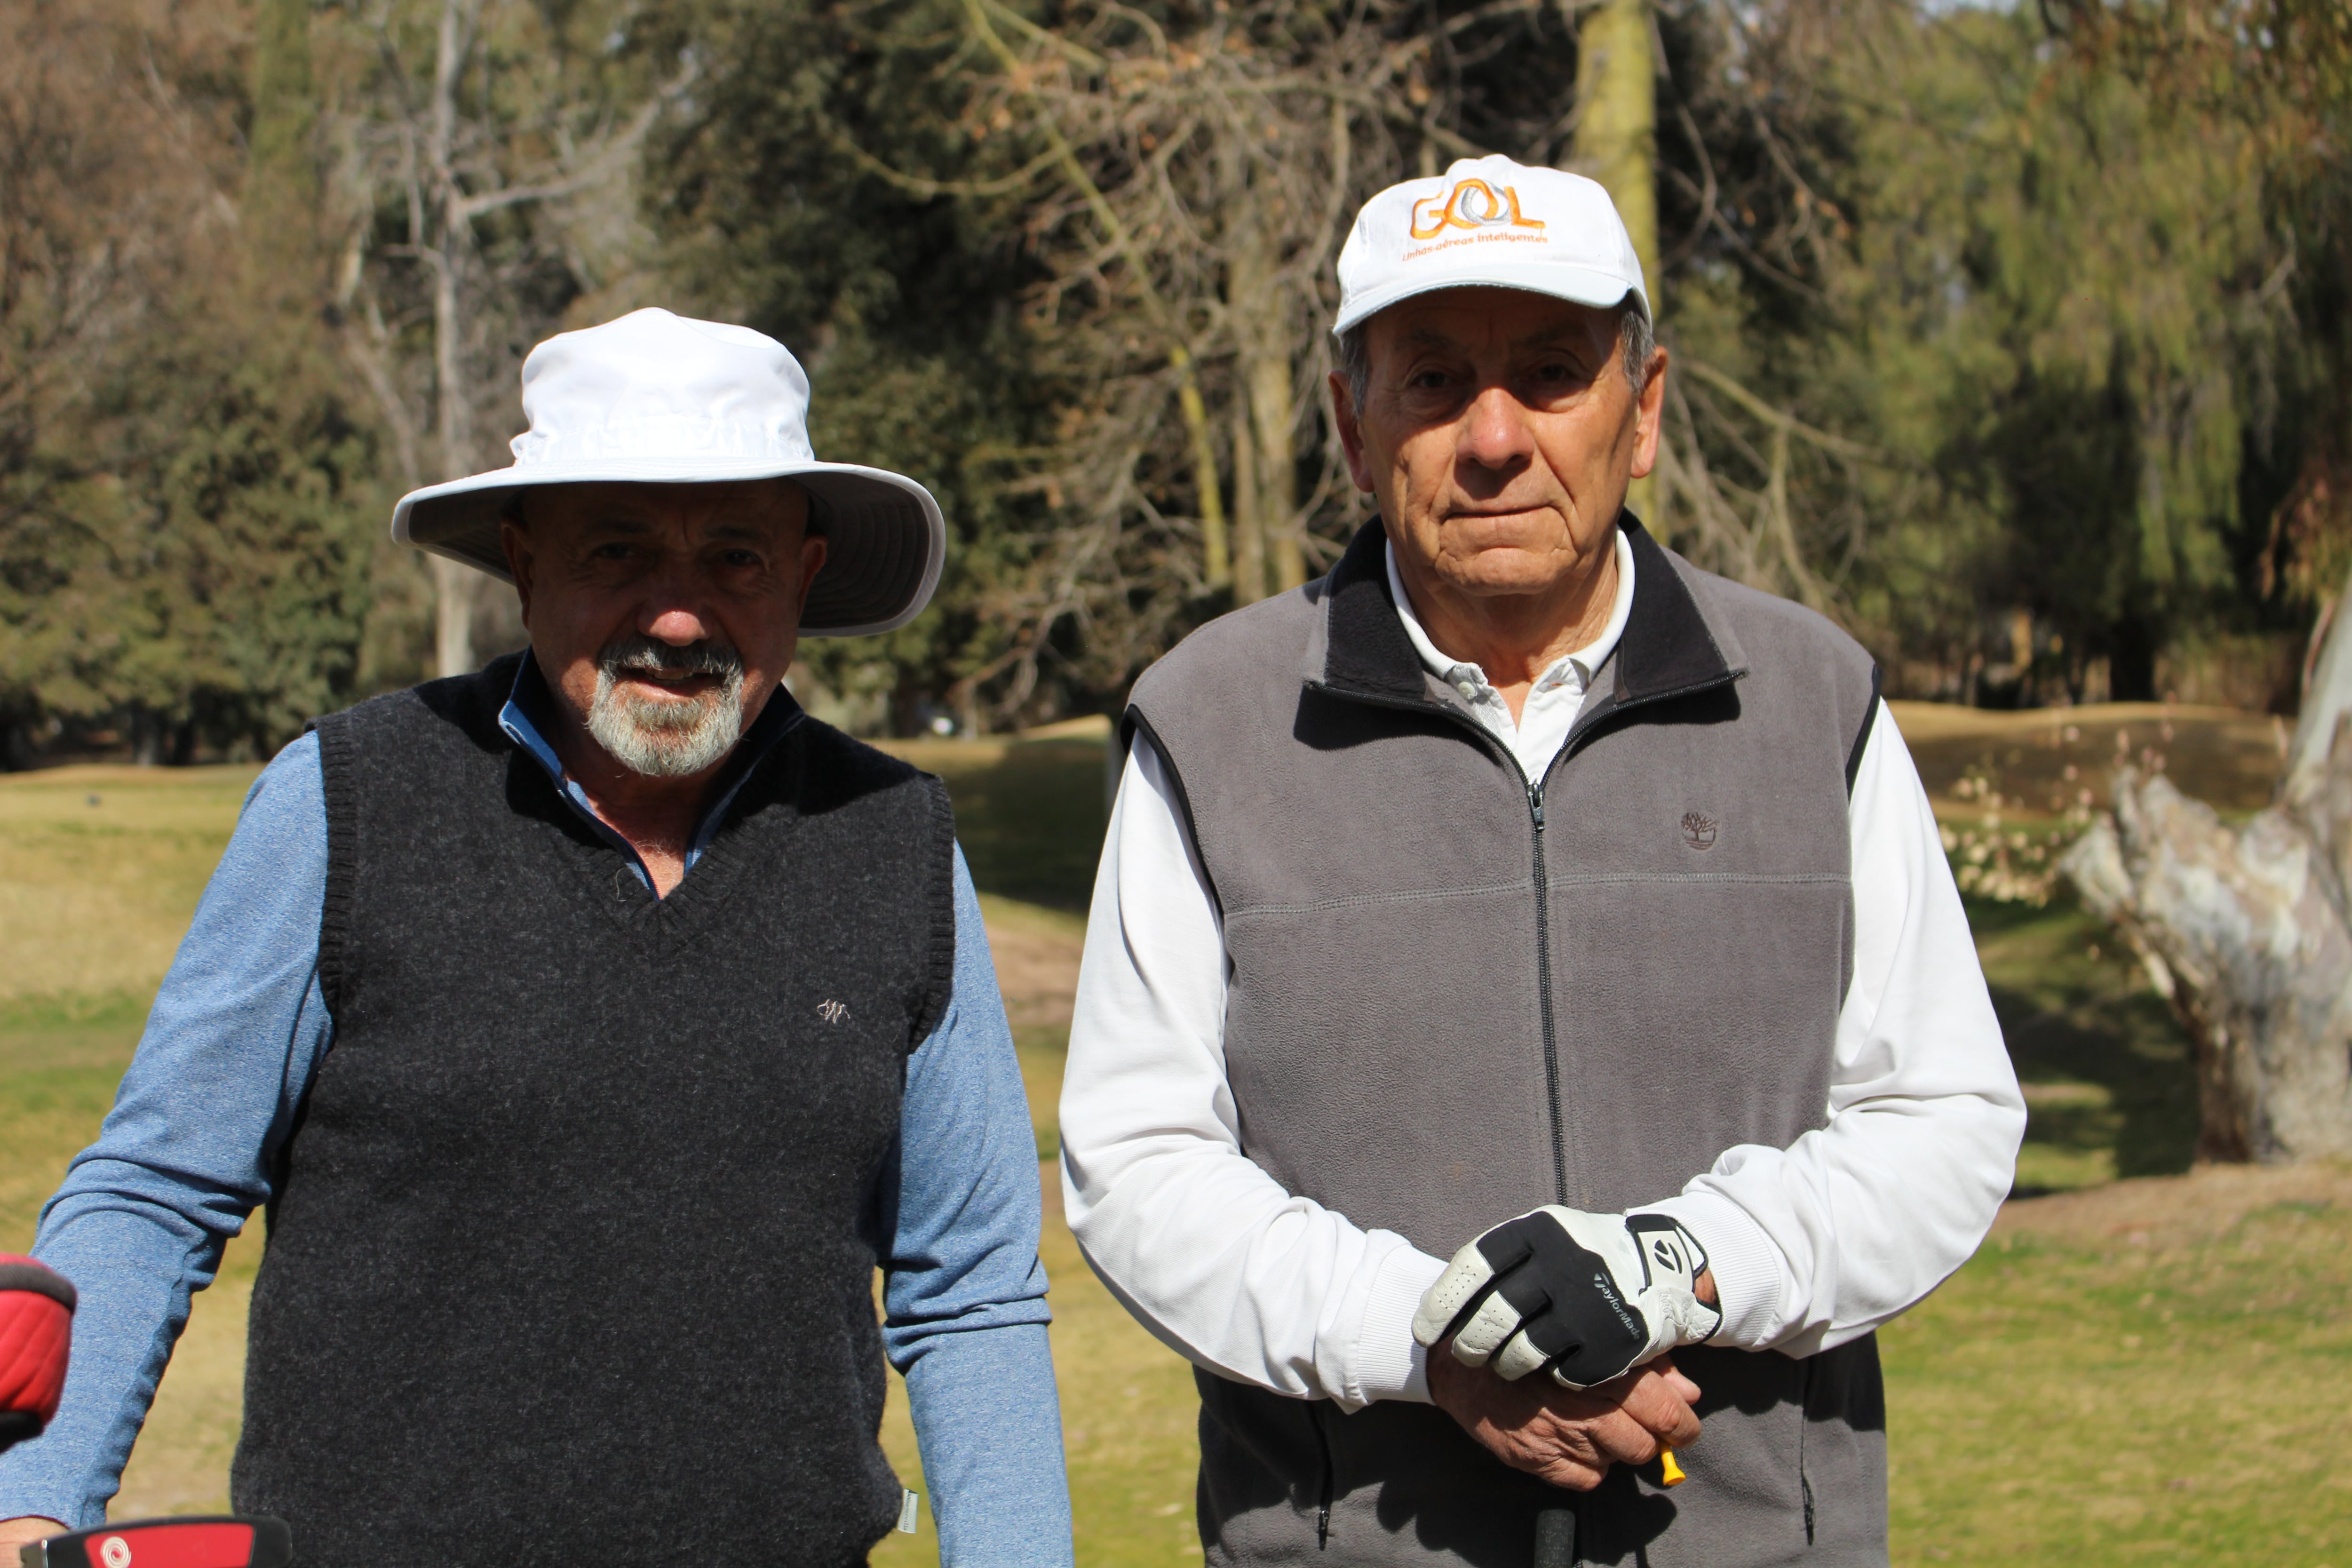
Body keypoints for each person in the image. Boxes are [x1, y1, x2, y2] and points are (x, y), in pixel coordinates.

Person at [1060, 157, 2024, 1566]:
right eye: (1433, 380)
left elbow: (1942, 1117)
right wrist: (1429, 1334)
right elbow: (1139, 1165)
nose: (1495, 437)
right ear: (1351, 422)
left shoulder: (1813, 703)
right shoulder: (1209, 722)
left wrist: (1678, 1268)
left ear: (1643, 412)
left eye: (1554, 374)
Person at [0, 309, 1073, 1568]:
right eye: (618, 551)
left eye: (735, 558)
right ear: (522, 559)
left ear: (806, 569)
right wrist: (33, 1500)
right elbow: (156, 1192)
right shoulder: (344, 801)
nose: (677, 619)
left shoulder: (893, 839)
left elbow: (972, 1295)